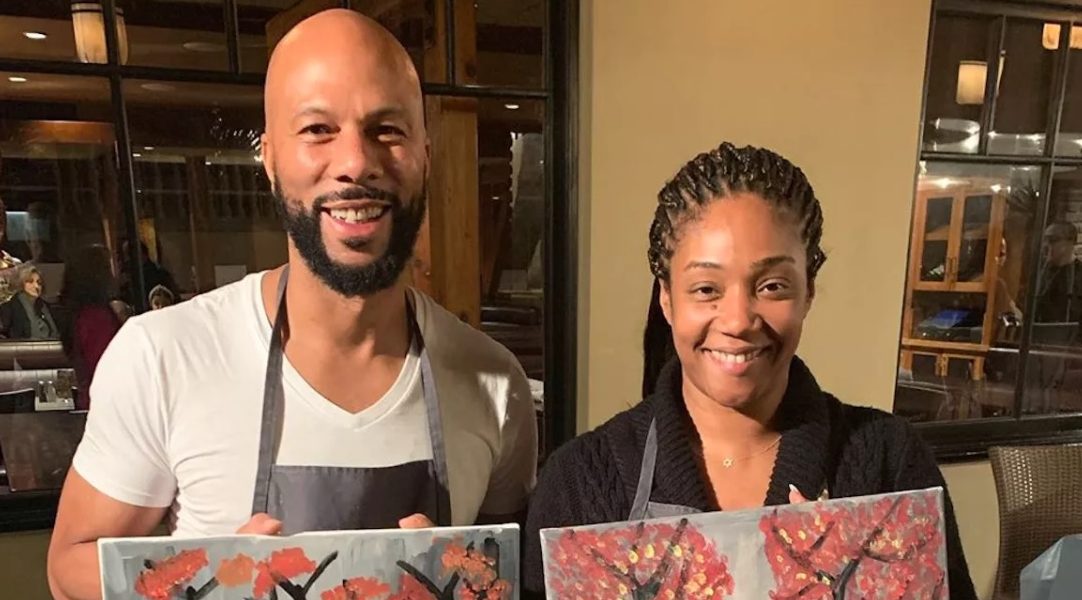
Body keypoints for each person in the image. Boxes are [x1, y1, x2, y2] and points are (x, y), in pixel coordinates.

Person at [47, 10, 537, 600]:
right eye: (317, 129)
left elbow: (509, 576)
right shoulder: (164, 356)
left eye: (387, 129)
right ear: (271, 157)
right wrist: (207, 583)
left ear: (425, 154)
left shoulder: (495, 383)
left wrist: (459, 584)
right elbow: (69, 566)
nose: (355, 162)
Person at [522, 142, 977, 598]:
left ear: (808, 291)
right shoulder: (581, 483)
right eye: (706, 288)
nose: (738, 320)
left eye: (772, 286)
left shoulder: (888, 463)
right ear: (667, 298)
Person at [58, 245, 122, 411]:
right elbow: (104, 366)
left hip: (92, 401)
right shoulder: (96, 318)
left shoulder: (77, 313)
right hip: (108, 405)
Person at [1034, 220, 1082, 326]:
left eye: (1053, 240)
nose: (1046, 245)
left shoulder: (1079, 275)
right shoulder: (1038, 271)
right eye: (1045, 240)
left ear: (1070, 242)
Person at [0, 265, 59, 339]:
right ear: (21, 284)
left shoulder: (47, 307)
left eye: (39, 283)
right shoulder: (9, 308)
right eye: (30, 282)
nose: (36, 286)